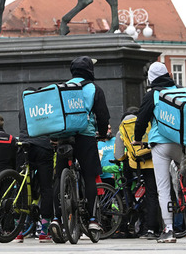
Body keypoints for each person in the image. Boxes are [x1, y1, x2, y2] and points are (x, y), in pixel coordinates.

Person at [50, 56, 110, 240]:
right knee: (89, 177)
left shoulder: (62, 87)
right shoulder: (94, 89)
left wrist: (53, 137)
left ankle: (56, 219)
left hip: (64, 137)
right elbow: (102, 115)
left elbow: (54, 112)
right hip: (85, 135)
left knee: (59, 175)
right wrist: (101, 133)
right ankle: (93, 220)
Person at [132, 61, 180, 243]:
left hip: (161, 144)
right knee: (182, 176)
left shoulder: (153, 94)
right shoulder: (179, 90)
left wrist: (138, 137)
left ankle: (168, 229)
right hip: (181, 142)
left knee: (163, 188)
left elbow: (142, 119)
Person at [116, 107, 160, 239]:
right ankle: (151, 229)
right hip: (151, 162)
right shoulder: (149, 124)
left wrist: (127, 156)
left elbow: (118, 156)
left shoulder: (122, 129)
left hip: (132, 165)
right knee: (152, 195)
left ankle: (125, 224)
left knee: (126, 191)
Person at [17, 101, 54, 242]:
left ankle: (18, 230)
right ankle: (44, 231)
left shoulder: (21, 109)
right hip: (43, 148)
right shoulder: (44, 107)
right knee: (46, 188)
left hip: (24, 147)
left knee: (21, 187)